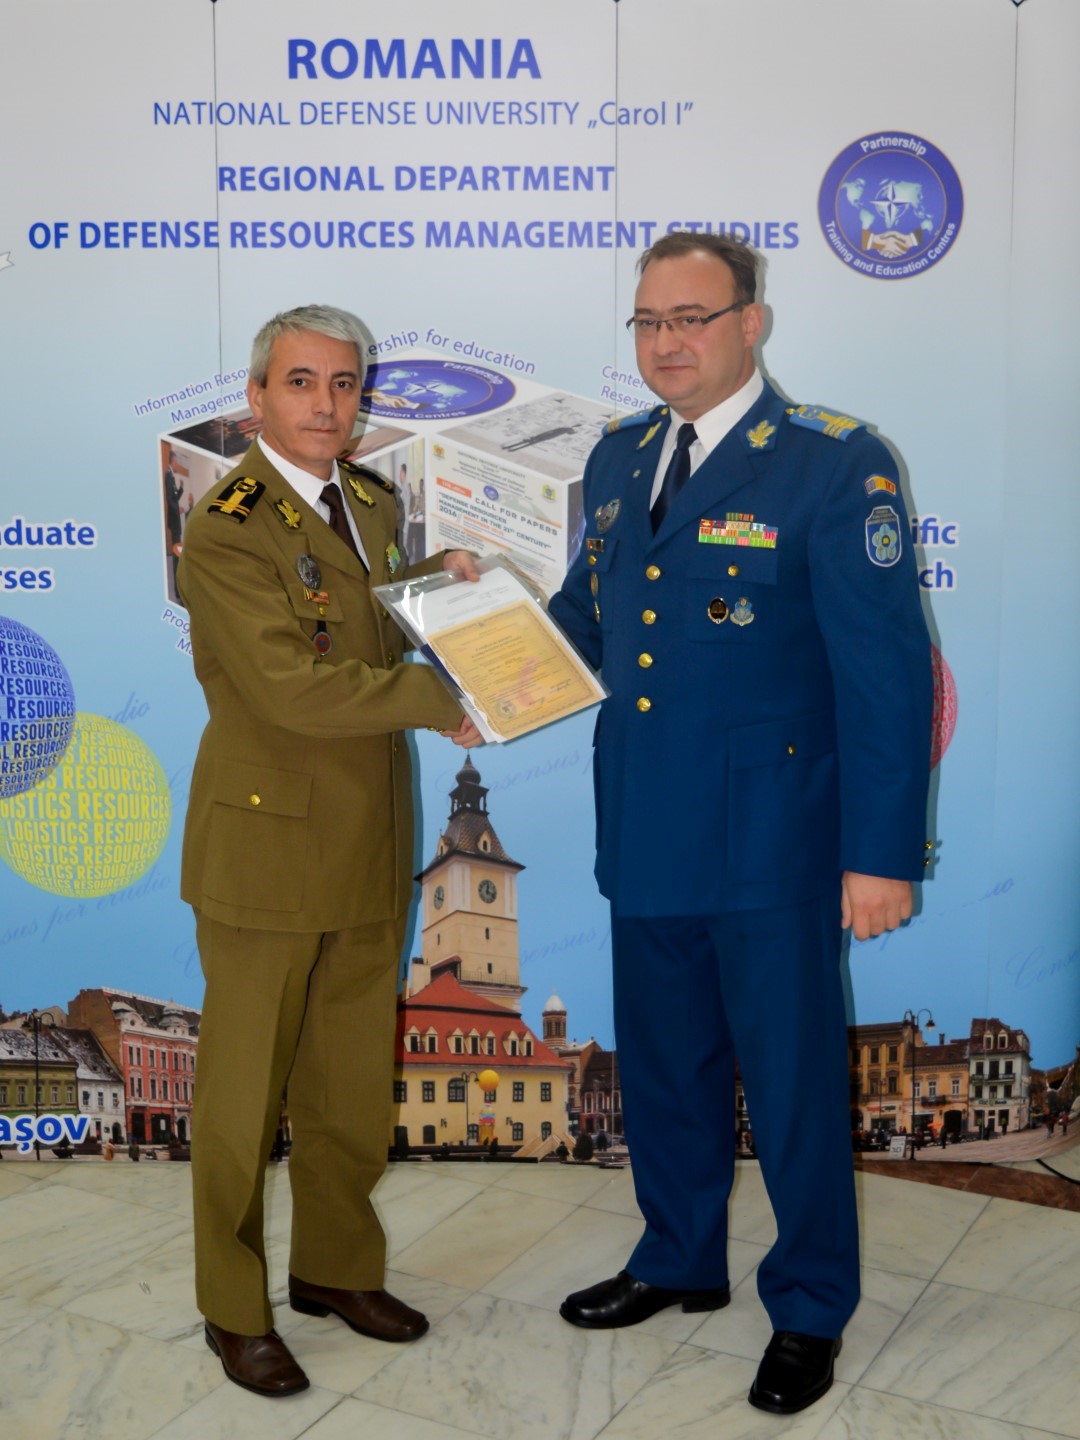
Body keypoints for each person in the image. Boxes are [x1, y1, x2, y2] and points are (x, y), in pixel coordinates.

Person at [548, 234, 931, 1417]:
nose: (668, 342)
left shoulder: (832, 463)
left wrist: (879, 853)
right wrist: (483, 661)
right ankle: (678, 1256)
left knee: (795, 1083)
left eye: (693, 318)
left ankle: (809, 1304)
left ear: (751, 324)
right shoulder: (619, 457)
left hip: (774, 838)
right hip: (647, 825)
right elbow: (583, 621)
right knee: (666, 1068)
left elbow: (886, 677)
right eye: (649, 321)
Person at [178, 304, 482, 1399]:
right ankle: (232, 1307)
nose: (325, 404)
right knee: (243, 1100)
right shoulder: (227, 523)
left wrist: (443, 584)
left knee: (350, 1084)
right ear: (257, 395)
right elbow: (290, 685)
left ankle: (336, 1270)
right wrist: (438, 697)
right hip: (268, 845)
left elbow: (369, 619)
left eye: (344, 384)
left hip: (367, 835)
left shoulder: (371, 500)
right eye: (301, 382)